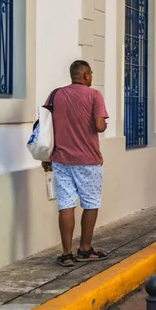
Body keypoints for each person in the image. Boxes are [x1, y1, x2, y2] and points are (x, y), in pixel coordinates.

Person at [44, 60, 109, 267]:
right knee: (91, 203)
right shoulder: (94, 95)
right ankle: (85, 248)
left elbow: (46, 124)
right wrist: (103, 121)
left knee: (66, 204)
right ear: (86, 76)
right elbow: (100, 126)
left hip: (61, 160)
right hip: (88, 160)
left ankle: (66, 254)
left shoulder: (56, 94)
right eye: (91, 74)